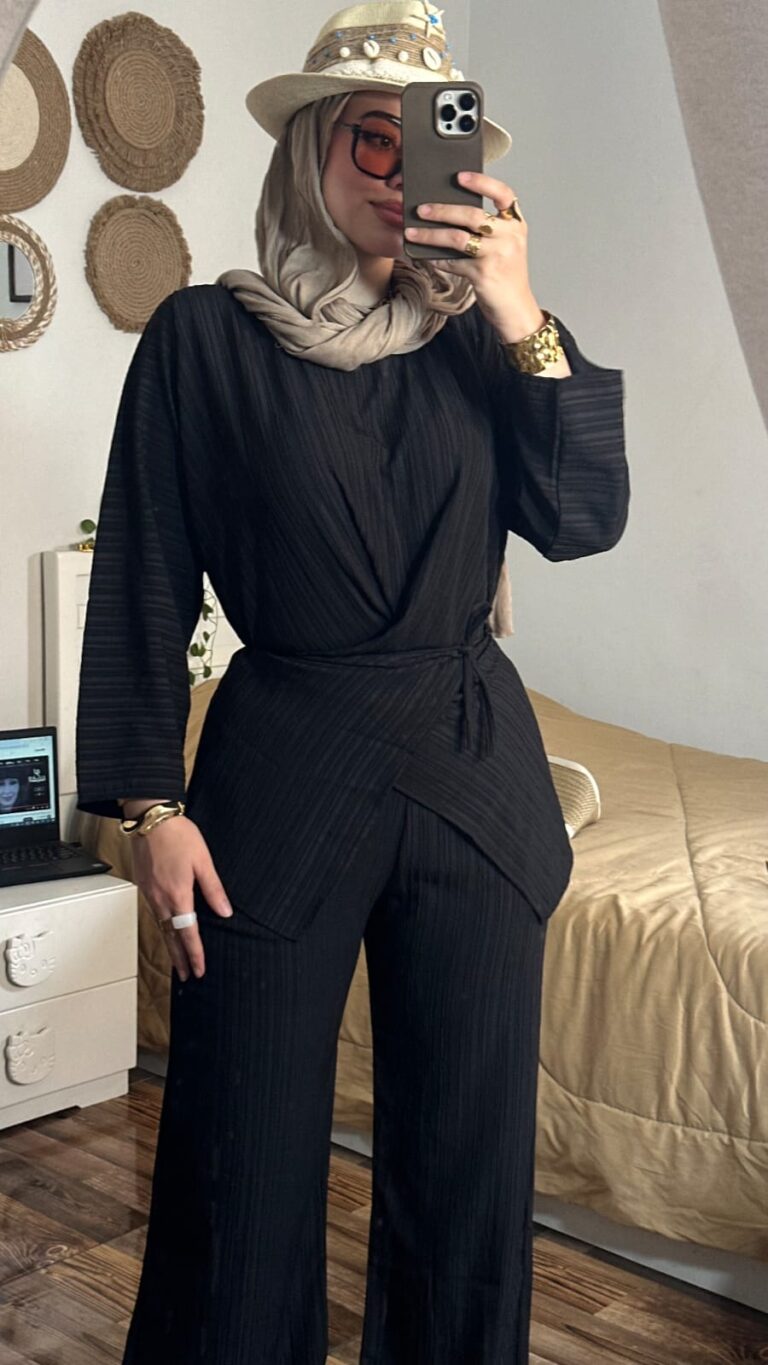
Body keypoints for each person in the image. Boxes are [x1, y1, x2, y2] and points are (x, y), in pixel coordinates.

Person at [75, 2, 629, 1360]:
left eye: (433, 147)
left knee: (467, 1175)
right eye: (374, 141)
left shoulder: (483, 343)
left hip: (471, 776)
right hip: (280, 773)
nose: (402, 175)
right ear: (312, 146)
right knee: (238, 1153)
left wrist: (520, 308)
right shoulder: (203, 341)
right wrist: (149, 808)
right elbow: (144, 576)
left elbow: (584, 517)